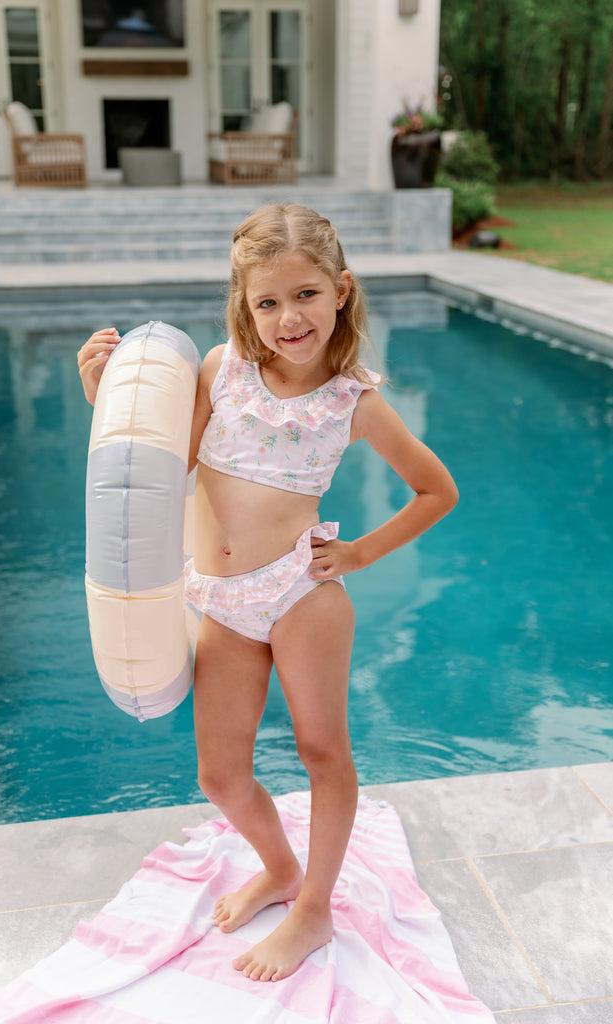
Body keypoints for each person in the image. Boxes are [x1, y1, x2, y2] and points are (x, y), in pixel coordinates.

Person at [77, 204, 458, 984]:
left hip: (299, 596)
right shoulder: (221, 372)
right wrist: (101, 398)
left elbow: (435, 490)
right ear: (244, 306)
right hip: (222, 600)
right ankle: (282, 869)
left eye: (306, 294)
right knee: (219, 775)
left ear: (341, 291)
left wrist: (357, 554)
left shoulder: (353, 402)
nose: (289, 317)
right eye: (268, 301)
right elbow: (166, 461)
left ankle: (315, 909)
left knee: (322, 753)